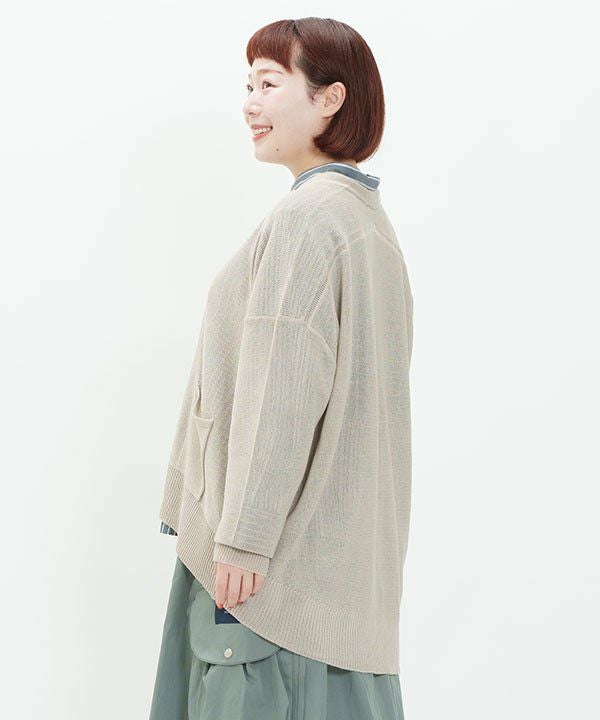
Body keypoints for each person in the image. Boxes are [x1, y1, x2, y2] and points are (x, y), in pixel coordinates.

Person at [149, 16, 413, 720]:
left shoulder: (306, 221)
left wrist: (243, 539)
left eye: (268, 84)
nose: (250, 104)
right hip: (341, 592)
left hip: (267, 592)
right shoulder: (366, 223)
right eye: (248, 86)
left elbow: (282, 392)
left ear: (330, 98)